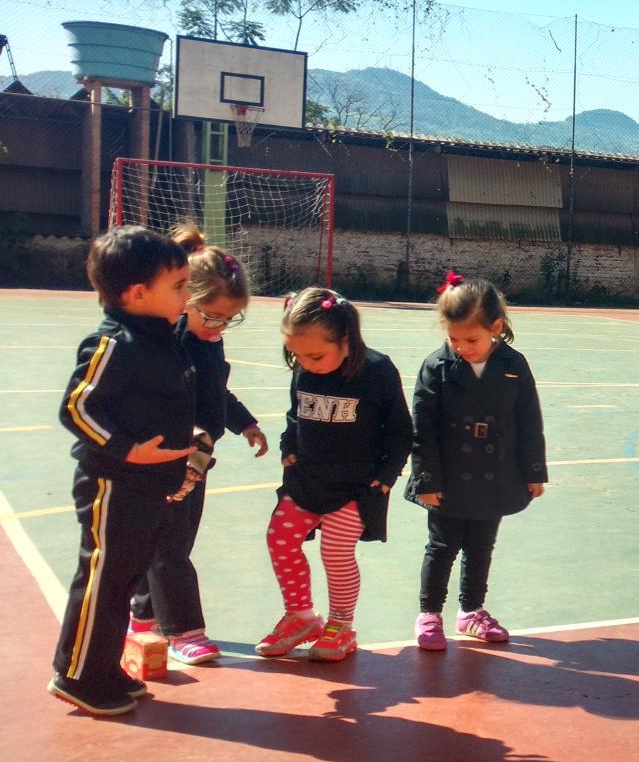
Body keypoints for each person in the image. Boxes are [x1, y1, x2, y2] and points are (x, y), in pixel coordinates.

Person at [49, 227, 197, 716]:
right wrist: (126, 451)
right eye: (178, 286)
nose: (186, 295)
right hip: (113, 484)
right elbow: (77, 409)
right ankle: (78, 676)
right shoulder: (113, 343)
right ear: (137, 295)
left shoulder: (160, 339)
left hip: (148, 487)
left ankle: (103, 666)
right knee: (104, 577)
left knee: (128, 574)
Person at [128, 225, 270, 666]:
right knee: (170, 546)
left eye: (228, 320)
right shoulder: (167, 343)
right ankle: (184, 630)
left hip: (198, 461)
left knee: (173, 542)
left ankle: (141, 615)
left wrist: (245, 423)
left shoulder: (210, 344)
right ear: (184, 298)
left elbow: (216, 395)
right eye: (209, 316)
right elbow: (147, 397)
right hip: (165, 458)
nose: (218, 326)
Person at [256, 289, 412, 662]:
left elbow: (400, 429)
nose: (306, 364)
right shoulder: (305, 370)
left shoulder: (377, 371)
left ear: (345, 340)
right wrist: (287, 446)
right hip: (307, 479)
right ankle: (301, 616)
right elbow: (296, 414)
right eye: (296, 355)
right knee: (280, 537)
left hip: (356, 486)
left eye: (315, 355)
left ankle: (341, 625)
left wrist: (388, 475)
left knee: (336, 551)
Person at [406, 273, 548, 649]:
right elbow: (423, 430)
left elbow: (529, 422)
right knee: (441, 546)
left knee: (481, 547)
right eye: (454, 339)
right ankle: (429, 614)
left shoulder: (514, 365)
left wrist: (533, 471)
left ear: (495, 327)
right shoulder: (436, 367)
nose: (462, 347)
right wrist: (428, 481)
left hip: (496, 475)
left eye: (471, 339)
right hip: (448, 477)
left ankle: (471, 612)